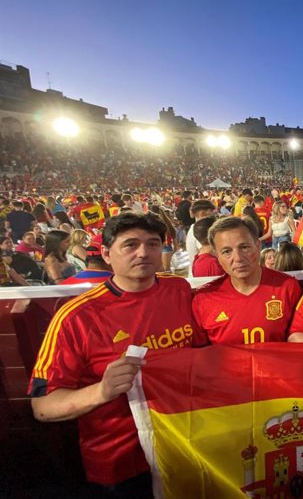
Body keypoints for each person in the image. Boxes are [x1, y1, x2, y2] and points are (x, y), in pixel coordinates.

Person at [29, 212, 204, 496]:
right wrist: (102, 391)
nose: (144, 252)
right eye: (130, 245)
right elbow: (43, 407)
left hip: (182, 446)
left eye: (153, 243)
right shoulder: (77, 317)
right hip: (121, 463)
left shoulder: (178, 289)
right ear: (107, 254)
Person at [192, 217, 302, 345]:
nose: (238, 258)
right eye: (227, 251)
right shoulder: (203, 300)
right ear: (217, 256)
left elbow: (299, 342)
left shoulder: (287, 287)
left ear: (258, 245)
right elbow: (200, 356)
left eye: (244, 247)